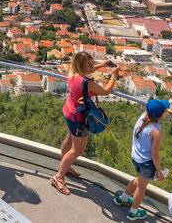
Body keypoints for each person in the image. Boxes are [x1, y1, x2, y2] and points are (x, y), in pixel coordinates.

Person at [52, 51, 122, 196]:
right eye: (88, 65)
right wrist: (114, 76)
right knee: (78, 150)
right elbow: (106, 91)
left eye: (92, 63)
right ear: (81, 66)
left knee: (69, 139)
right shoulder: (87, 82)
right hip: (79, 117)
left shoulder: (72, 73)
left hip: (69, 110)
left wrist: (101, 65)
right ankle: (59, 177)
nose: (91, 67)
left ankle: (64, 166)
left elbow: (86, 71)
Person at [115, 98, 172, 220]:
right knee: (141, 187)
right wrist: (159, 170)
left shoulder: (142, 118)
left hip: (136, 157)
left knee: (139, 180)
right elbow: (155, 154)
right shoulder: (156, 132)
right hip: (146, 163)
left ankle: (123, 198)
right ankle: (133, 212)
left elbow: (154, 110)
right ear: (162, 114)